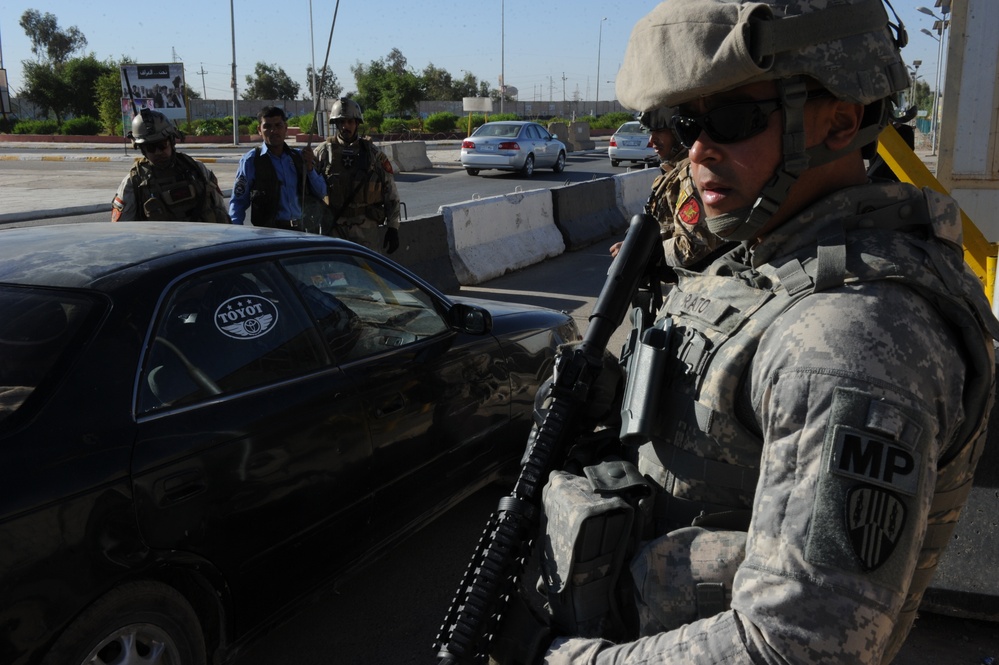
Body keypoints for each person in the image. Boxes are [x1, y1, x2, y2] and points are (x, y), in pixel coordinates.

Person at [498, 1, 999, 664]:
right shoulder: (758, 250)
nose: (693, 152)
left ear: (839, 119)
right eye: (677, 125)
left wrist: (555, 659)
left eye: (730, 119)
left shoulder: (850, 337)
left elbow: (796, 646)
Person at [609, 109, 725, 273]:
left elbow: (692, 247)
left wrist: (642, 252)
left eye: (660, 131)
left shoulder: (691, 175)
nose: (652, 139)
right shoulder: (673, 173)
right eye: (651, 132)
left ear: (680, 132)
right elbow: (671, 230)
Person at [314, 98, 401, 254]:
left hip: (365, 228)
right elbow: (310, 188)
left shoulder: (374, 155)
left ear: (357, 123)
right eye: (341, 122)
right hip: (334, 227)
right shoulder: (323, 153)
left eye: (349, 122)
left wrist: (393, 227)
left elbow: (390, 192)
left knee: (368, 274)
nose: (345, 126)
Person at [112, 108, 228, 223]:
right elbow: (122, 230)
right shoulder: (133, 182)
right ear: (142, 150)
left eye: (162, 145)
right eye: (150, 148)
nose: (158, 152)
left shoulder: (196, 169)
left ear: (172, 141)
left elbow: (220, 209)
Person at [229, 106, 328, 231]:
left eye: (278, 126)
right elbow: (238, 202)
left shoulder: (299, 158)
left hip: (302, 232)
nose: (273, 131)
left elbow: (322, 192)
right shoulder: (251, 161)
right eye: (267, 127)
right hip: (270, 235)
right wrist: (235, 233)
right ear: (259, 130)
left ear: (285, 128)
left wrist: (309, 168)